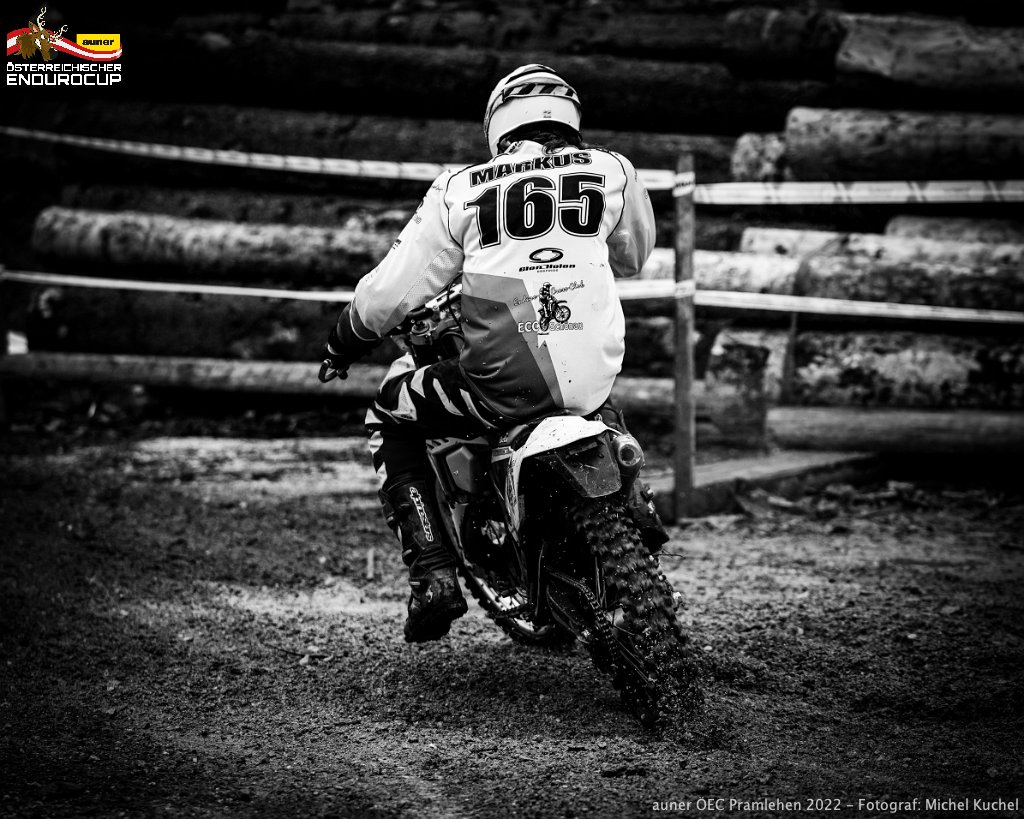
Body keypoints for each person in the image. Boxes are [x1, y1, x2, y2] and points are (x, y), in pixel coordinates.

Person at [321, 64, 665, 644]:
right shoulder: (613, 169)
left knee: (389, 412)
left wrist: (345, 339)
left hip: (500, 384)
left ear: (498, 123)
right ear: (571, 117)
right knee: (599, 405)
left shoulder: (462, 188)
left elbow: (390, 293)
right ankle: (638, 512)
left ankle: (432, 574)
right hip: (593, 376)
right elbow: (632, 258)